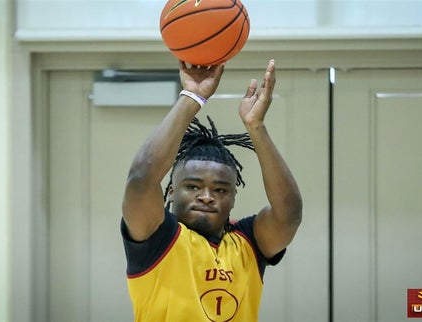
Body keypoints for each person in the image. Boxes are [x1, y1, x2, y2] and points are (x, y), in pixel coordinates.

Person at [121, 59, 302, 322]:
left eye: (220, 189)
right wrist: (192, 97)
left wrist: (256, 127)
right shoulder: (155, 238)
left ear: (233, 197)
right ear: (171, 191)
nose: (206, 196)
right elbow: (141, 178)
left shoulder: (249, 241)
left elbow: (289, 215)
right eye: (193, 186)